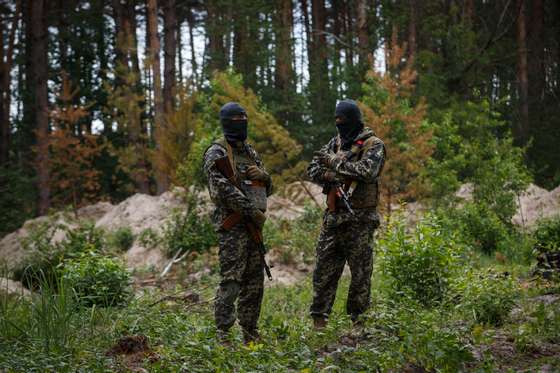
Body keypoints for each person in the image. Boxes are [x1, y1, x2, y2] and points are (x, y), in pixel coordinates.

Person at [307, 99, 386, 328]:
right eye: (336, 120)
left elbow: (367, 171)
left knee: (361, 274)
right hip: (333, 219)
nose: (339, 124)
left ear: (355, 119)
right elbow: (313, 168)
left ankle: (358, 323)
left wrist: (334, 164)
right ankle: (319, 322)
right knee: (323, 271)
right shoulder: (335, 142)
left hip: (360, 219)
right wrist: (331, 176)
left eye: (344, 120)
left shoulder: (373, 144)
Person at [203, 102, 273, 344]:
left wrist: (266, 177)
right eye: (236, 120)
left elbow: (265, 189)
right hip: (232, 227)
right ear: (226, 123)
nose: (241, 123)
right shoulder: (217, 153)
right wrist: (250, 211)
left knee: (255, 281)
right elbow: (220, 191)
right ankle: (223, 335)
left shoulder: (251, 152)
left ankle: (250, 332)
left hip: (253, 227)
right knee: (231, 281)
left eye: (244, 119)